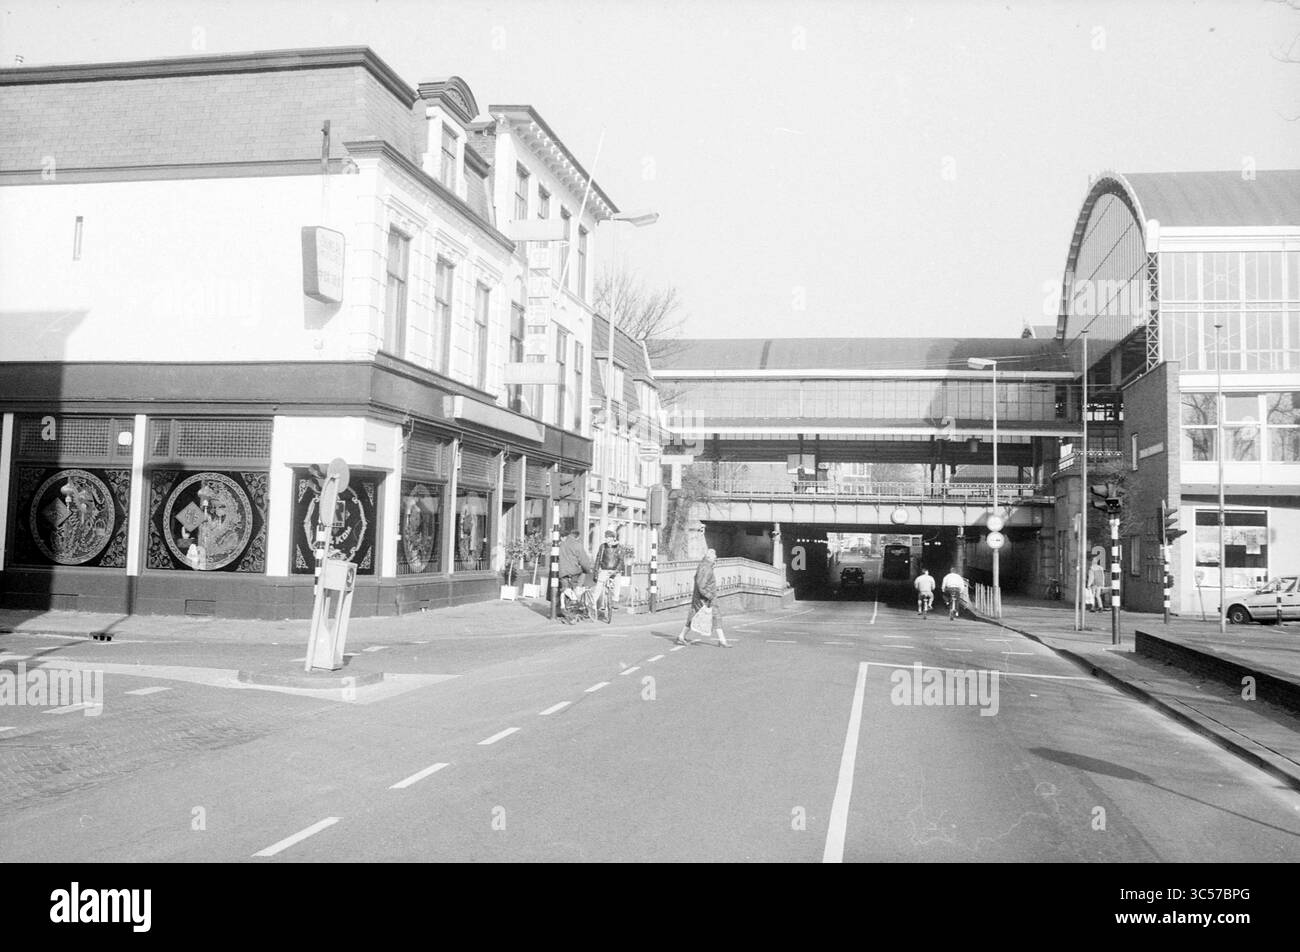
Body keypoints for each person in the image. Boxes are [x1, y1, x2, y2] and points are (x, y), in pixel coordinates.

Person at [676, 548, 731, 647]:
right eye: (714, 556)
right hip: (705, 599)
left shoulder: (705, 566)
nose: (716, 558)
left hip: (702, 598)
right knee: (715, 617)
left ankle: (681, 636)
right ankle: (722, 641)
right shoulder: (706, 568)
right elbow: (701, 584)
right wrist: (709, 596)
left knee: (699, 617)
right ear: (709, 557)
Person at [557, 529, 594, 624]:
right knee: (581, 576)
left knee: (565, 588)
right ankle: (577, 593)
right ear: (577, 537)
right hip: (574, 572)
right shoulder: (577, 545)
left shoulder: (561, 544)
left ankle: (565, 609)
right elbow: (584, 561)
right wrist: (588, 569)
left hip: (562, 572)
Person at [593, 530, 626, 615]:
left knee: (617, 582)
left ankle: (615, 600)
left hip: (615, 570)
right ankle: (594, 603)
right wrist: (596, 572)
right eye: (606, 537)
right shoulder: (603, 547)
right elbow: (598, 559)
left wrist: (617, 570)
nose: (607, 539)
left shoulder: (619, 547)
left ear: (613, 538)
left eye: (608, 537)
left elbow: (621, 560)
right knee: (600, 585)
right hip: (604, 569)